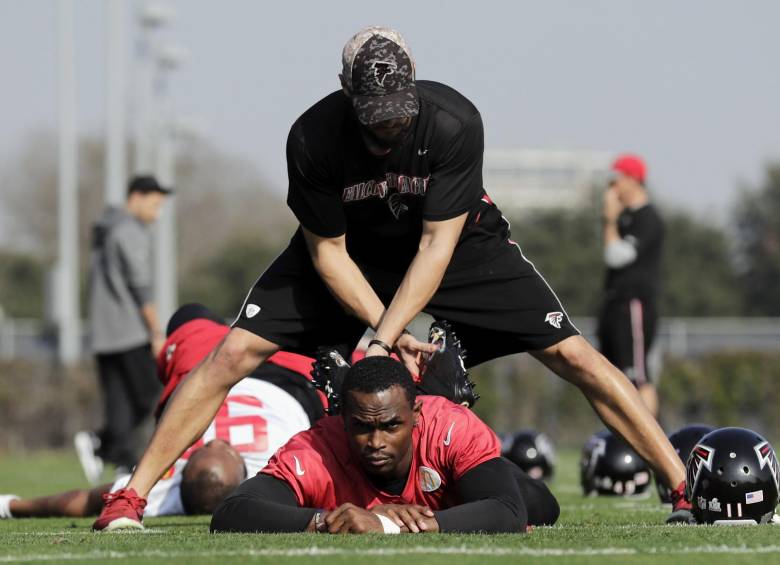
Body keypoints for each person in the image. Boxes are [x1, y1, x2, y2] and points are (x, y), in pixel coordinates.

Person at [95, 26, 690, 530]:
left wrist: (382, 338)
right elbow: (328, 254)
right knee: (232, 351)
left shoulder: (453, 122)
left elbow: (436, 246)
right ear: (345, 94)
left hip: (456, 247)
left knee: (574, 355)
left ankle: (680, 485)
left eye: (398, 118)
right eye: (374, 120)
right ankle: (129, 496)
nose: (389, 132)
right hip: (349, 250)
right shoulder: (312, 139)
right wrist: (386, 329)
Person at [1, 303, 322, 524]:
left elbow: (86, 500)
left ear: (181, 470)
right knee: (334, 350)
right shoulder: (281, 471)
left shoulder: (163, 488)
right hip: (289, 375)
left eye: (204, 448)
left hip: (202, 371)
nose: (215, 441)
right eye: (223, 449)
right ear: (244, 472)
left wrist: (13, 505)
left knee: (190, 316)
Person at [211, 356, 559, 534]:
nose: (376, 442)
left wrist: (389, 526)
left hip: (460, 487)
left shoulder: (446, 427)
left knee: (540, 504)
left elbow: (509, 511)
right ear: (343, 419)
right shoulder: (318, 446)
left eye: (391, 425)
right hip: (437, 499)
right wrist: (327, 521)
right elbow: (231, 511)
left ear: (416, 415)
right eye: (361, 428)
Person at [77, 176, 173, 480]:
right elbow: (140, 285)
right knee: (153, 397)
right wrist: (156, 331)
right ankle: (107, 446)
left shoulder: (105, 228)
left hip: (104, 332)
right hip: (130, 331)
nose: (157, 214)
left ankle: (116, 457)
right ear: (137, 197)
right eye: (155, 205)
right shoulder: (128, 230)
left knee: (119, 403)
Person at [598, 155, 664, 417]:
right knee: (611, 376)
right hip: (615, 304)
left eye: (617, 181)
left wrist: (609, 221)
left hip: (634, 303)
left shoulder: (648, 218)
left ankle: (652, 438)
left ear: (633, 180)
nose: (612, 189)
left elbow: (616, 255)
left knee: (636, 374)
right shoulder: (625, 218)